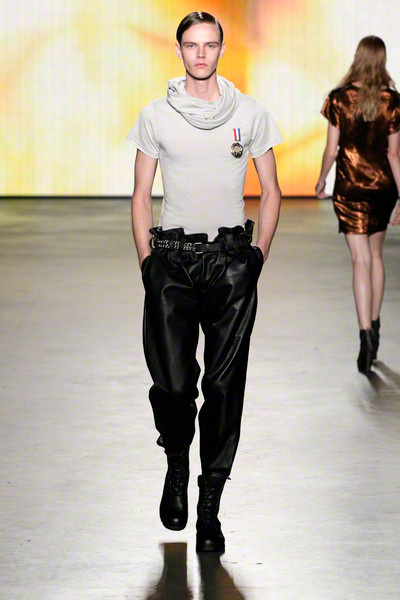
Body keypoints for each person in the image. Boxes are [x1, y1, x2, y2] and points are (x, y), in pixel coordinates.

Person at [127, 11, 282, 552]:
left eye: (209, 45)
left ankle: (209, 505)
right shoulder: (156, 115)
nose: (200, 54)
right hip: (172, 265)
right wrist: (148, 264)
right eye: (191, 45)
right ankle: (176, 460)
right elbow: (141, 193)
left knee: (223, 386)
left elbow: (271, 189)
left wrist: (257, 256)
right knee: (172, 385)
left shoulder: (250, 112)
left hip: (230, 264)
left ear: (221, 49)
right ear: (179, 50)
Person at [316, 35, 400, 375]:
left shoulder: (339, 98)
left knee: (359, 260)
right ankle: (375, 327)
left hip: (349, 188)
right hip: (383, 188)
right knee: (375, 257)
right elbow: (394, 155)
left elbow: (331, 150)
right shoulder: (392, 100)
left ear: (357, 58)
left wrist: (321, 180)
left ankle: (364, 333)